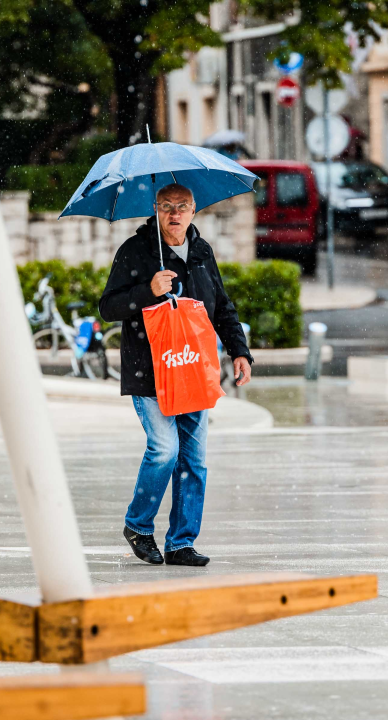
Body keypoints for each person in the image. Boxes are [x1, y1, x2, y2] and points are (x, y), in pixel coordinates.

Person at [99, 184, 253, 567]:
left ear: (194, 210)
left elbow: (222, 307)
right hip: (149, 371)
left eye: (181, 206)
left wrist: (239, 351)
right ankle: (138, 525)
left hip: (192, 370)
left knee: (194, 461)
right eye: (166, 206)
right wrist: (147, 291)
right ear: (155, 209)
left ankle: (181, 542)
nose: (174, 213)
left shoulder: (201, 251)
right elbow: (108, 307)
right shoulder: (136, 251)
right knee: (164, 450)